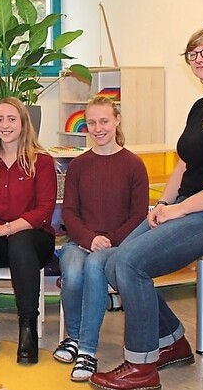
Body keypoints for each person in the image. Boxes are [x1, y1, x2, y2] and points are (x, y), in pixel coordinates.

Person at [90, 26, 203, 390]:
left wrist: (180, 210)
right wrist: (164, 203)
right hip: (190, 206)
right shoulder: (201, 104)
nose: (200, 59)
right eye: (193, 54)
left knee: (130, 263)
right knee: (111, 262)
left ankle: (142, 367)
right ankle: (171, 340)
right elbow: (184, 164)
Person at [52, 97, 149, 382]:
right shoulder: (79, 165)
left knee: (94, 266)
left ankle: (88, 351)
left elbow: (138, 215)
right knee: (71, 268)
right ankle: (73, 338)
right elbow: (68, 212)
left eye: (104, 121)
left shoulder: (133, 164)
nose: (98, 128)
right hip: (79, 241)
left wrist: (108, 240)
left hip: (117, 245)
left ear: (117, 121)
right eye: (91, 123)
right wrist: (88, 238)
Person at [0, 97, 57, 364]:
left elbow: (43, 212)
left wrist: (4, 228)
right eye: (0, 119)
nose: (5, 125)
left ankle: (27, 329)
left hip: (33, 238)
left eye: (11, 119)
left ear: (23, 123)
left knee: (20, 242)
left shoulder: (41, 161)